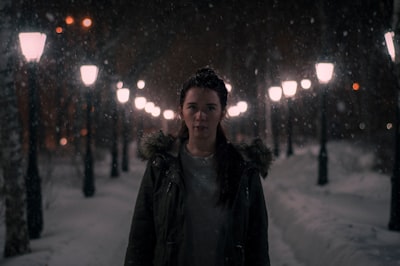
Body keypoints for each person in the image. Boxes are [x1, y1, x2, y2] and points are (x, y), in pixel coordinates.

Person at [124, 67, 272, 266]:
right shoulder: (162, 166)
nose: (200, 115)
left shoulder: (243, 170)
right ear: (181, 111)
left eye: (210, 107)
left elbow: (257, 243)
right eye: (192, 107)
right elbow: (141, 237)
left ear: (221, 113)